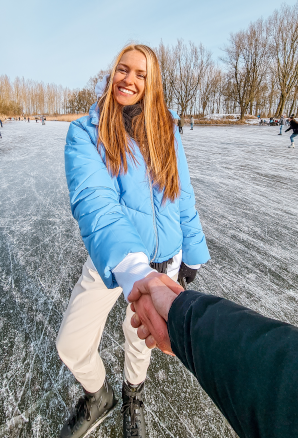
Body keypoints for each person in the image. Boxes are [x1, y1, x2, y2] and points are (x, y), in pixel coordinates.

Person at [56, 44, 210, 438]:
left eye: (141, 74)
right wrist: (133, 269)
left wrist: (191, 251)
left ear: (152, 83)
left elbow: (183, 194)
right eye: (123, 70)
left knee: (139, 343)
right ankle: (98, 395)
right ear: (112, 75)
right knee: (71, 344)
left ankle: (132, 395)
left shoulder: (167, 129)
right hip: (116, 261)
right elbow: (97, 204)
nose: (130, 79)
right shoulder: (86, 132)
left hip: (166, 260)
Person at [128, 273, 298, 438]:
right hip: (126, 271)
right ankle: (120, 389)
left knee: (144, 337)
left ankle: (131, 390)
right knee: (135, 333)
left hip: (165, 267)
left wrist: (193, 254)